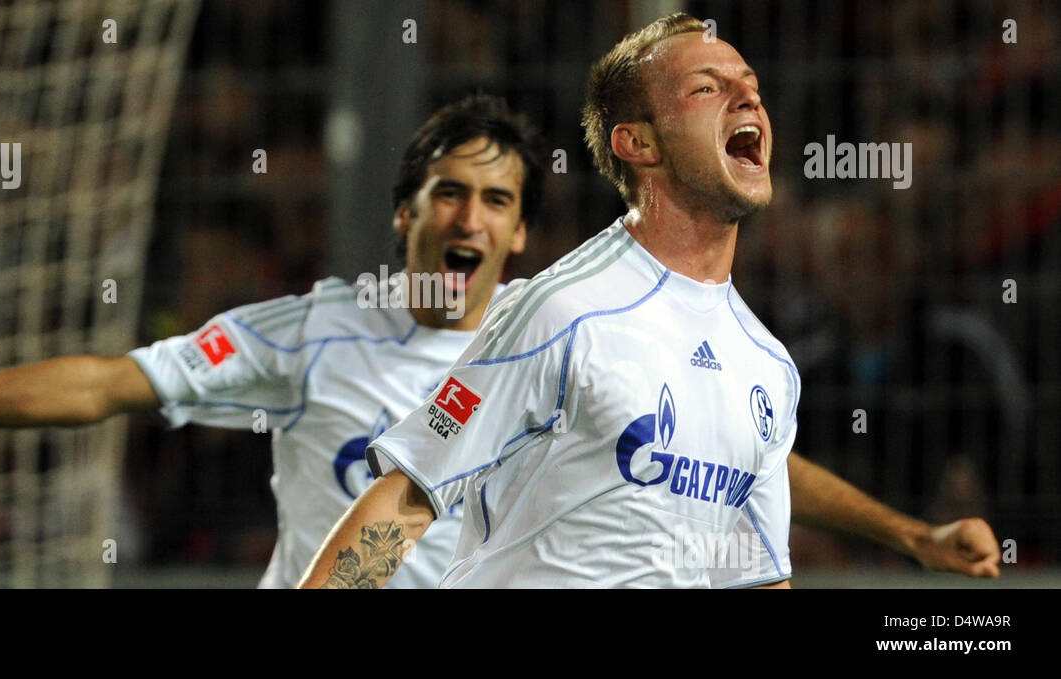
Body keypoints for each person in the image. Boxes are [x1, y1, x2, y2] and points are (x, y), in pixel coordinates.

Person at [300, 13, 1000, 588]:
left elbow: (759, 576)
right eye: (707, 88)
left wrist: (909, 534)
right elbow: (404, 501)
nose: (747, 99)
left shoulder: (768, 365)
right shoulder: (560, 310)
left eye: (751, 87)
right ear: (637, 143)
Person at [0, 94, 544, 589]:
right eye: (448, 192)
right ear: (403, 216)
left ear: (518, 233)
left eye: (496, 200)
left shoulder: (550, 350)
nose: (468, 218)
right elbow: (104, 385)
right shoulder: (315, 332)